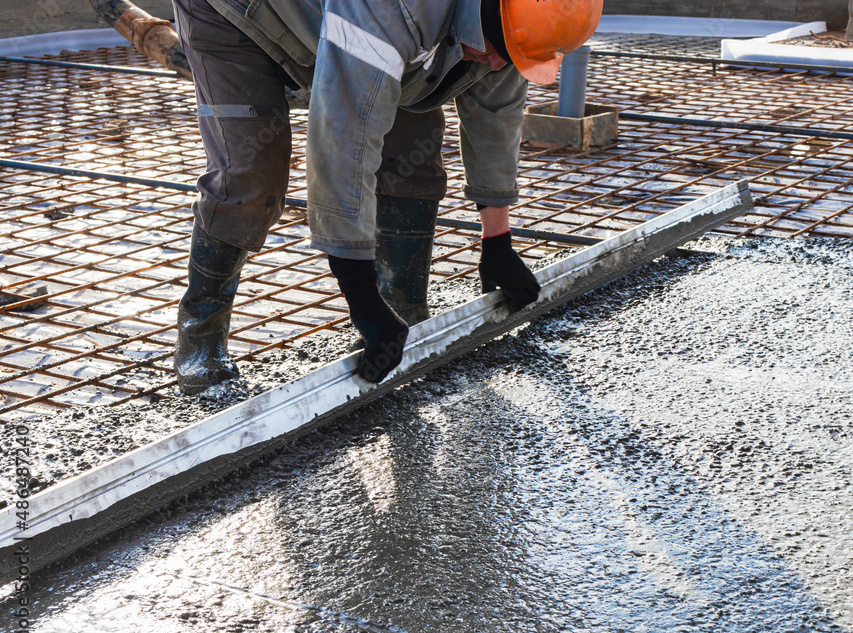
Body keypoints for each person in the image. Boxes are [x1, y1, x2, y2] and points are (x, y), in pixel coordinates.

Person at [171, 0, 602, 394]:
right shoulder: (395, 9)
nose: (494, 61)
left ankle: (404, 307)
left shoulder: (517, 22)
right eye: (494, 47)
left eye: (507, 55)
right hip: (238, 15)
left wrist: (498, 240)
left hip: (357, 23)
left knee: (413, 149)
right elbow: (343, 139)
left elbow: (496, 114)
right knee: (249, 179)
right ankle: (200, 338)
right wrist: (362, 301)